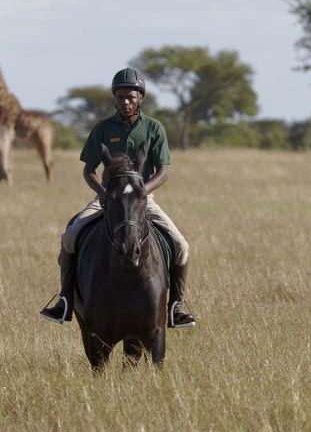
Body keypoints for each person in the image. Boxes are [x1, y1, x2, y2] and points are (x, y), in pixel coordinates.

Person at [39, 68, 196, 328]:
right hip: (107, 197)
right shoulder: (102, 129)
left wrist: (143, 191)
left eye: (130, 97)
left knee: (181, 245)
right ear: (115, 98)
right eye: (120, 97)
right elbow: (89, 170)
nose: (125, 101)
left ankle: (176, 305)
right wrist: (103, 194)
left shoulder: (154, 128)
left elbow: (163, 171)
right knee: (70, 237)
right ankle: (64, 300)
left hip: (143, 199)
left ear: (140, 98)